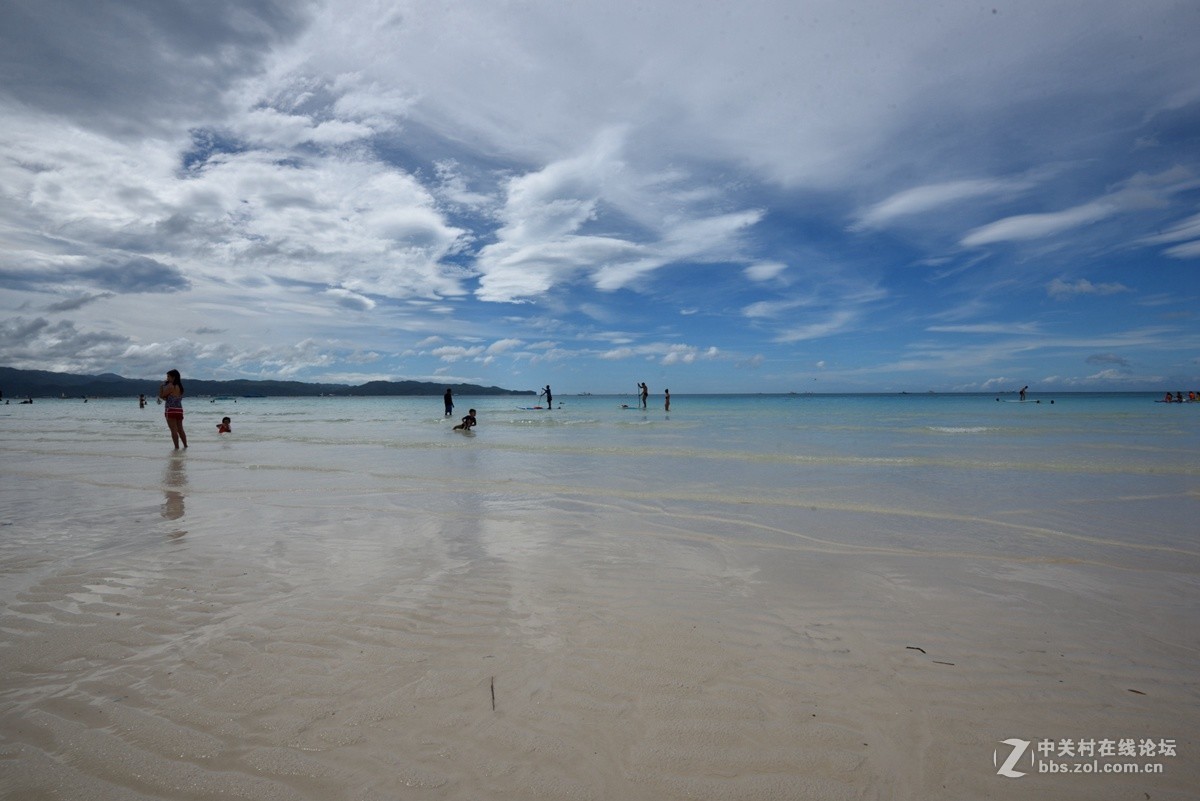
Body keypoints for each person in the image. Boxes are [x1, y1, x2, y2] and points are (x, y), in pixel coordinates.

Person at [158, 369, 188, 449]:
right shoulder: (180, 387)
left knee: (173, 430)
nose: (167, 378)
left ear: (173, 377)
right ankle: (185, 446)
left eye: (168, 376)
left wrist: (161, 387)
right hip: (179, 410)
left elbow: (162, 396)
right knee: (180, 429)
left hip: (170, 410)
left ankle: (176, 447)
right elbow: (173, 398)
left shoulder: (170, 386)